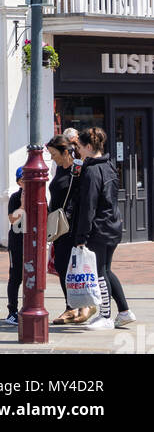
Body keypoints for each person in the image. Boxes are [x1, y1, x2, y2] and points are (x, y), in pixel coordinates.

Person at [68, 126, 135, 330]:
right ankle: (124, 311)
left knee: (99, 273)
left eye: (80, 147)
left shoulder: (92, 170)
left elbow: (89, 205)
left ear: (88, 146)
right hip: (112, 224)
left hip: (98, 227)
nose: (78, 151)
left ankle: (105, 316)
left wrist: (81, 235)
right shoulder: (109, 165)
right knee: (105, 269)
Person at [46, 135, 81, 325]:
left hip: (71, 226)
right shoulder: (60, 168)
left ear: (66, 152)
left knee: (69, 266)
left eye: (53, 154)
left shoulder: (77, 169)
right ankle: (74, 305)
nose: (52, 158)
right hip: (59, 226)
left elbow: (81, 198)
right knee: (61, 266)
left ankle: (75, 307)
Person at [3, 166, 25, 326]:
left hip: (33, 242)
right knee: (15, 276)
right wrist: (23, 205)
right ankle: (12, 311)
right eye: (24, 180)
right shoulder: (15, 197)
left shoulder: (39, 196)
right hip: (17, 242)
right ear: (19, 182)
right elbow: (12, 219)